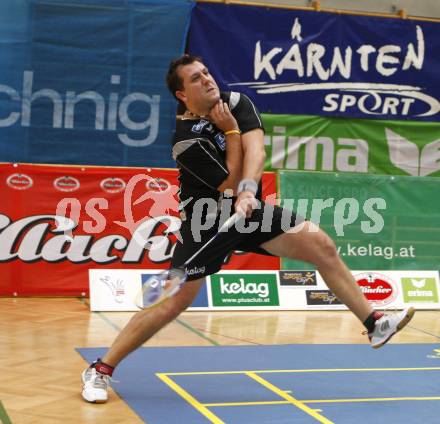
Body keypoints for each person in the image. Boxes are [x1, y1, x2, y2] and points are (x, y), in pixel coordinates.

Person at [81, 54, 415, 403]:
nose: (207, 79)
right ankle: (101, 368)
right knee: (171, 304)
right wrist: (230, 134)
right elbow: (227, 179)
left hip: (248, 208)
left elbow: (256, 152)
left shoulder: (237, 101)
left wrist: (247, 190)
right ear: (182, 94)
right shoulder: (185, 142)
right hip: (205, 219)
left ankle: (375, 323)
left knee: (322, 246)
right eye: (195, 78)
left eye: (207, 72)